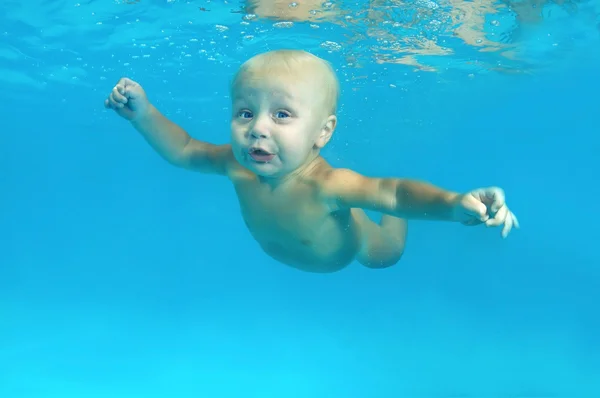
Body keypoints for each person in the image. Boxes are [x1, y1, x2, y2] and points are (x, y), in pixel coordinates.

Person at [103, 49, 519, 274]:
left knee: (384, 256)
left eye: (281, 115)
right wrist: (145, 115)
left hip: (349, 251)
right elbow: (184, 150)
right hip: (294, 253)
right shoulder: (236, 162)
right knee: (377, 197)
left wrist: (452, 204)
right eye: (245, 112)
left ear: (323, 132)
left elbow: (392, 192)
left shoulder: (328, 184)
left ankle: (397, 220)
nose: (257, 128)